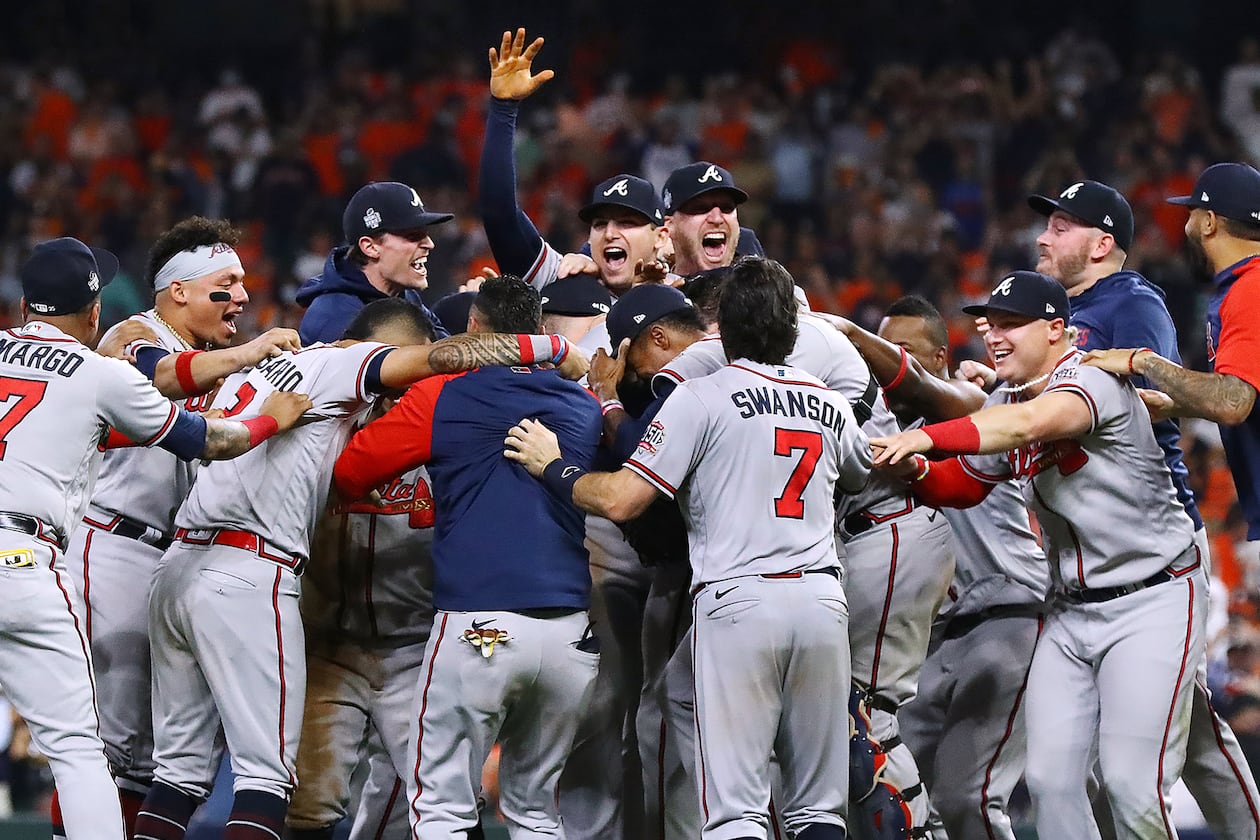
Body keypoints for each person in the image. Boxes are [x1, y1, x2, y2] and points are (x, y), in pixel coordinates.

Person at [132, 302, 590, 840]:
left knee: (438, 802)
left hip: (407, 647)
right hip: (321, 637)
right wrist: (557, 349)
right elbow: (439, 361)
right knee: (294, 797)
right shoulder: (348, 388)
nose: (406, 385)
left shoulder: (434, 417)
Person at [504, 257, 872, 840]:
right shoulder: (824, 396)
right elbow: (858, 473)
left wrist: (555, 468)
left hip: (738, 603)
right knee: (817, 810)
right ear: (791, 329)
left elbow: (624, 500)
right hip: (822, 603)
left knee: (736, 812)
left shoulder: (700, 396)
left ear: (722, 324)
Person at [872, 270, 1207, 838]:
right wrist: (918, 472)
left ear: (1057, 330)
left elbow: (1028, 425)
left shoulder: (1092, 379)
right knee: (1051, 783)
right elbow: (965, 484)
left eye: (1012, 325)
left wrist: (928, 437)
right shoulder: (1007, 397)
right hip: (1070, 610)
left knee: (1130, 785)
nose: (995, 336)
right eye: (991, 325)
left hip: (1154, 597)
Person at [0, 237, 311, 840]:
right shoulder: (116, 347)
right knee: (88, 748)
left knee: (139, 756)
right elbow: (175, 392)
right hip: (85, 546)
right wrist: (271, 413)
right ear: (93, 310)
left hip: (144, 552)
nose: (241, 297)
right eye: (227, 285)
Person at [1028, 177, 1260, 840]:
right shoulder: (1062, 315)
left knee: (1158, 761)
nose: (1046, 236)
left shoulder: (1133, 301)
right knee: (1184, 743)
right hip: (1089, 557)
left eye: (1063, 226)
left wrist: (1141, 366)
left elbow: (1220, 402)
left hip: (1148, 544)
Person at [332, 276, 603, 839]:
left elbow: (350, 470)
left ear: (475, 330)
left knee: (442, 809)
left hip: (480, 625)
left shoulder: (446, 393)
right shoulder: (583, 404)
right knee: (535, 813)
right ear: (539, 334)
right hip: (571, 636)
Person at [839, 296, 1049, 840]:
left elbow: (959, 408)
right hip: (934, 643)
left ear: (936, 357)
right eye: (879, 346)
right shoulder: (875, 424)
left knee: (969, 798)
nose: (881, 362)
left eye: (899, 350)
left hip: (1009, 616)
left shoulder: (975, 408)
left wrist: (853, 334)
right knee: (896, 781)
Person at [285, 301, 439, 840]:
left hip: (418, 651)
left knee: (440, 805)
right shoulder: (321, 420)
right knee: (305, 807)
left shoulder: (448, 422)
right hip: (329, 648)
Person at [295, 180, 454, 344]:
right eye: (413, 236)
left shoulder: (404, 295)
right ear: (370, 247)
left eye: (426, 234)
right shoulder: (334, 317)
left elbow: (445, 349)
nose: (429, 244)